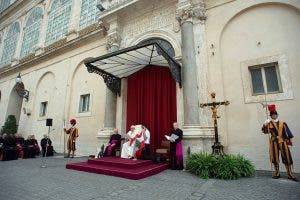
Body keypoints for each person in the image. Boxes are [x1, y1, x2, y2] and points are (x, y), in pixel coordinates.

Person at [262, 104, 298, 181]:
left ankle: (290, 173)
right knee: (275, 157)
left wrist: (289, 143)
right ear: (271, 116)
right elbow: (265, 132)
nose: (274, 116)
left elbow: (287, 133)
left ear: (277, 115)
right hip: (274, 142)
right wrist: (265, 124)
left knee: (287, 157)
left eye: (275, 114)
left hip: (283, 141)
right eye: (272, 115)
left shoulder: (283, 123)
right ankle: (277, 173)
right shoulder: (269, 124)